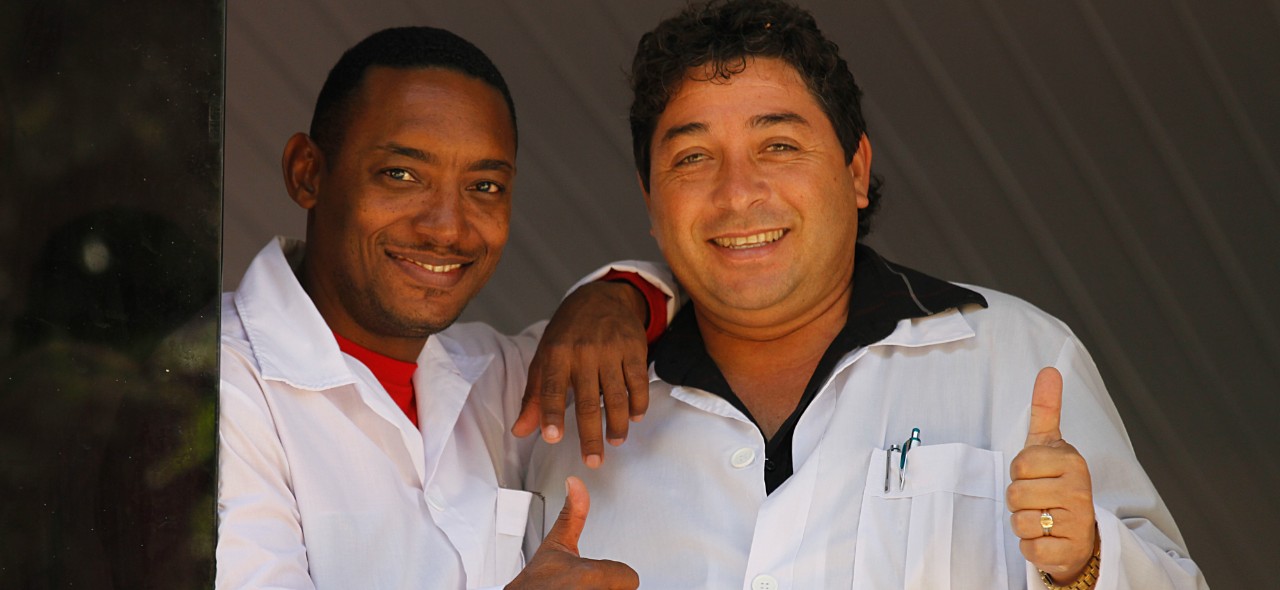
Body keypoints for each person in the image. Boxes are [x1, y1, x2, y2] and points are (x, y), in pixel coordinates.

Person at [524, 1, 1207, 588]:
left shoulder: (1016, 356)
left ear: (856, 171)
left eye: (778, 145)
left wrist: (1086, 560)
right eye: (693, 158)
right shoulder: (556, 400)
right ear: (650, 199)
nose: (738, 193)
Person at [217, 26, 675, 589]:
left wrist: (616, 296)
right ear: (306, 172)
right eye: (401, 175)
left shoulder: (494, 377)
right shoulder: (214, 384)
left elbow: (707, 288)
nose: (446, 228)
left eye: (484, 187)